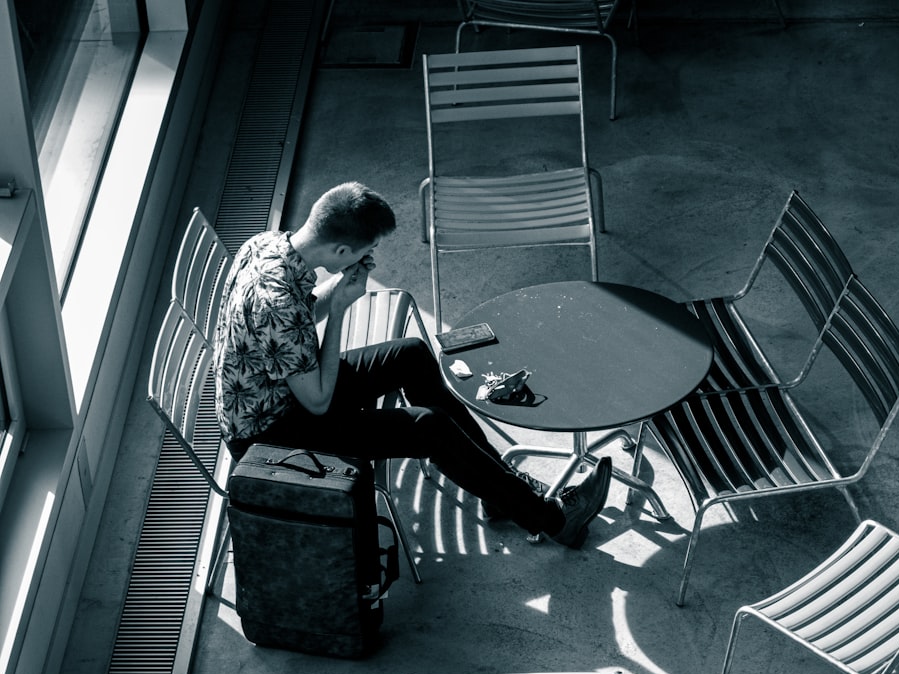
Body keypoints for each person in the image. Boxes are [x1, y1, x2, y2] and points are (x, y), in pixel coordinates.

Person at [213, 181, 611, 548]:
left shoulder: (265, 244)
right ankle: (555, 520)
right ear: (340, 253)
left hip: (281, 393)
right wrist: (338, 310)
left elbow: (296, 319)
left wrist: (332, 291)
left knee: (411, 354)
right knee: (428, 427)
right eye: (365, 251)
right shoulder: (278, 305)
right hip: (273, 434)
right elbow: (317, 400)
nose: (368, 257)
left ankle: (500, 494)